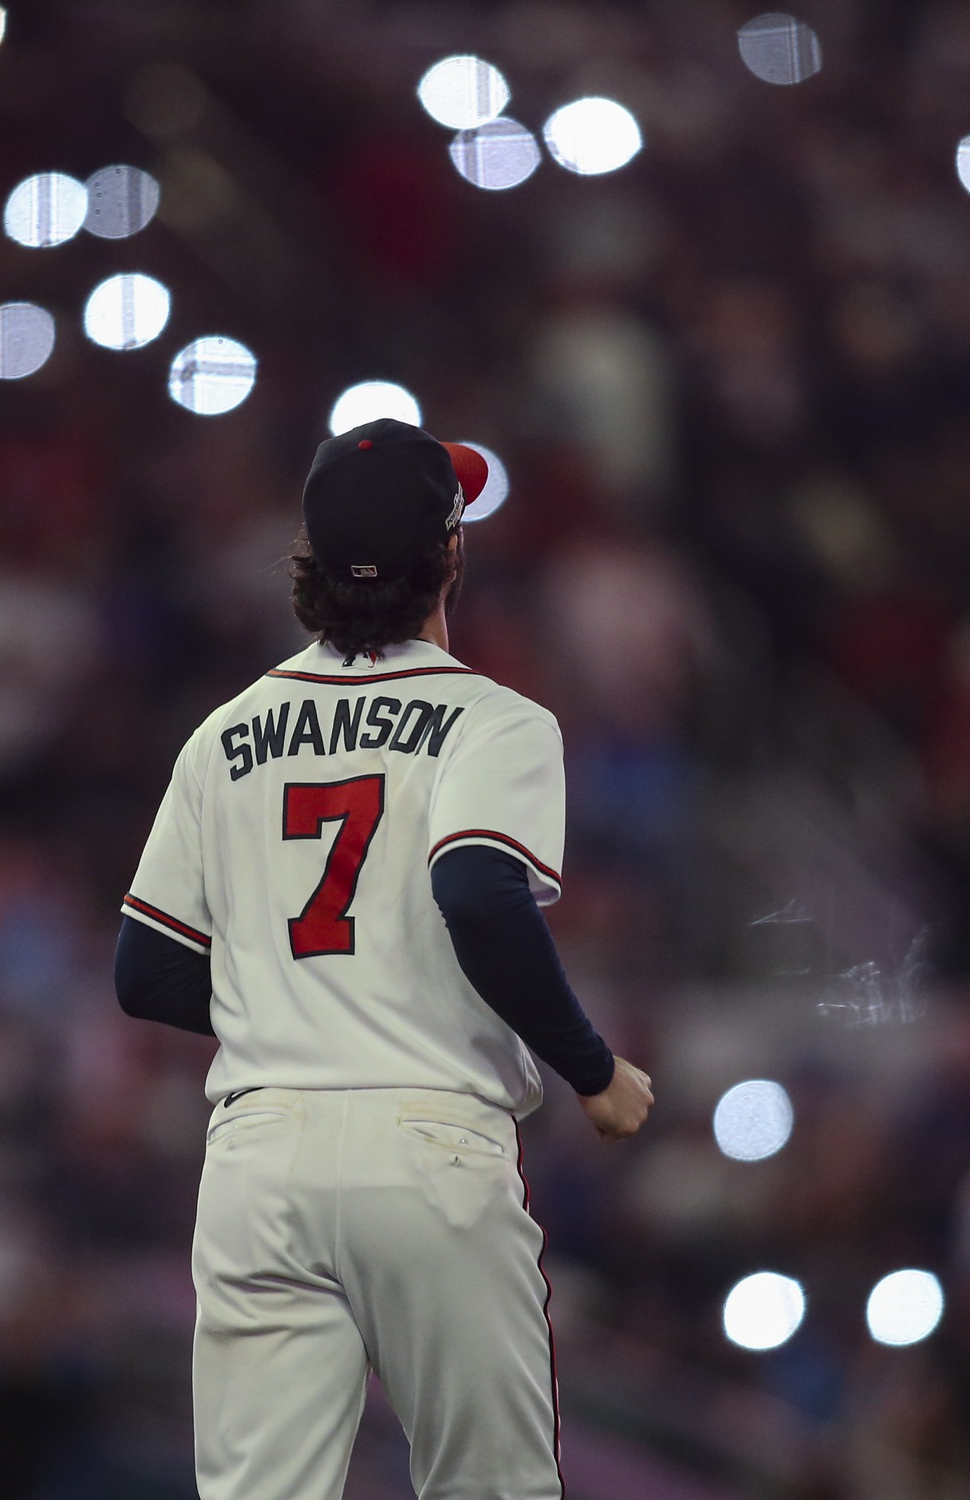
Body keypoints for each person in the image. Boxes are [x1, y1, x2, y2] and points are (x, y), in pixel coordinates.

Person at [114, 419, 655, 1500]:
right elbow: (477, 889)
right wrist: (590, 1066)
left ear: (305, 563)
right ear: (451, 555)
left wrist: (304, 1004)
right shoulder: (493, 721)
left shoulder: (226, 730)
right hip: (428, 1141)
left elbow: (148, 972)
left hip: (259, 1152)